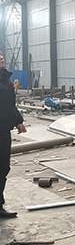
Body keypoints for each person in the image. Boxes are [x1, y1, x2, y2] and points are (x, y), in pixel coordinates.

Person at [0, 50, 27, 218]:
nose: (1, 58)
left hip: (4, 131)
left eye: (1, 55)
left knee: (3, 167)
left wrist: (18, 121)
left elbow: (10, 105)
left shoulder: (6, 78)